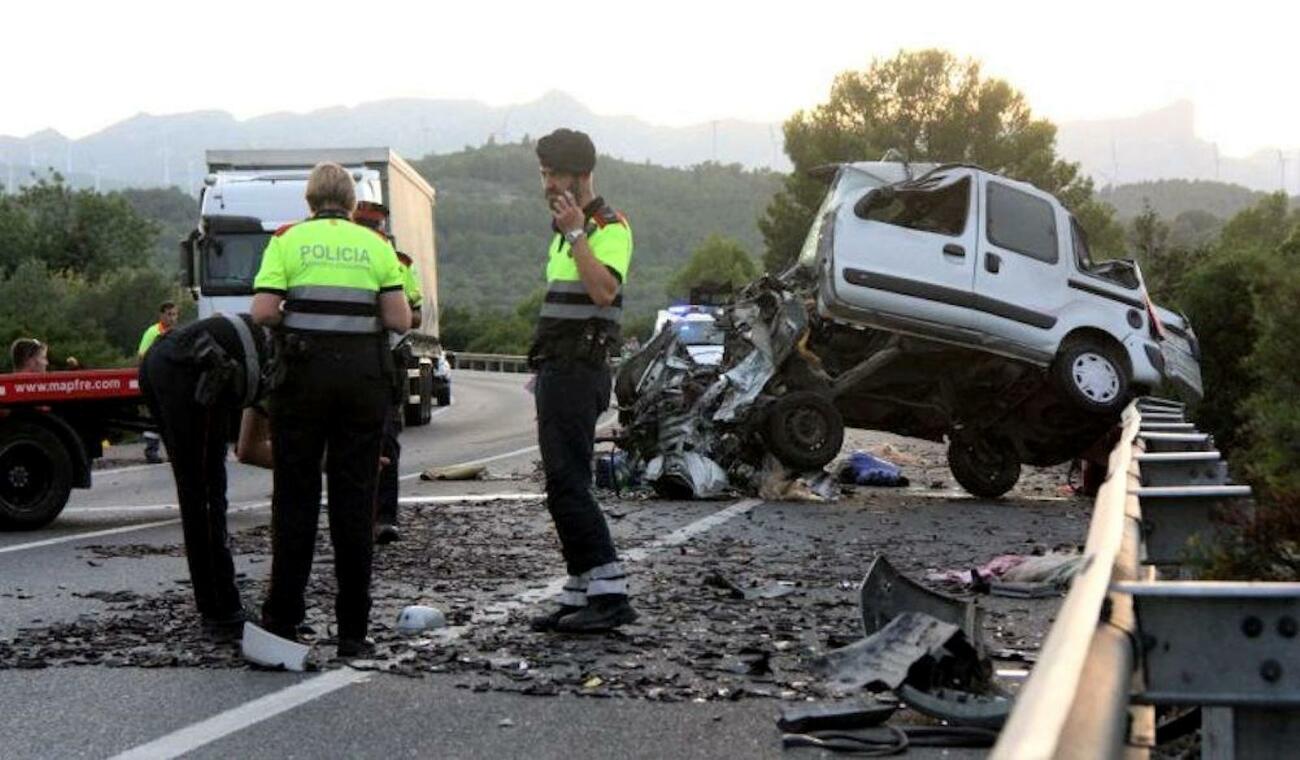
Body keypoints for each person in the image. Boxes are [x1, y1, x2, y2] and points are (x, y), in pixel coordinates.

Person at [250, 162, 410, 658]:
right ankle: (353, 633)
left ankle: (282, 624)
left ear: (309, 200)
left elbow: (262, 312)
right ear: (352, 201)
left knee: (294, 499)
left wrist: (297, 316)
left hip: (301, 380)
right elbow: (399, 318)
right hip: (362, 383)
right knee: (354, 503)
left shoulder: (287, 242)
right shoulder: (376, 246)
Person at [527, 129, 637, 633]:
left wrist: (576, 233)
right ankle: (580, 588)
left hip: (580, 369)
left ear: (581, 175)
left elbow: (602, 292)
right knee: (561, 482)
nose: (547, 182)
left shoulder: (607, 227)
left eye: (554, 173)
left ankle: (610, 592)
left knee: (569, 481)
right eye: (544, 173)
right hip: (558, 367)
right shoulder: (563, 229)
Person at [137, 313, 273, 636]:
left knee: (196, 490)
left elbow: (251, 448)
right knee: (206, 493)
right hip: (197, 365)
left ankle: (215, 605)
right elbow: (252, 449)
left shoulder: (277, 351)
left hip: (166, 359)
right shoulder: (291, 370)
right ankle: (223, 609)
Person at [352, 202, 423, 545]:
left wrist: (387, 308)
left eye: (375, 226)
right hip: (349, 359)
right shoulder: (347, 257)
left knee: (386, 439)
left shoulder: (397, 263)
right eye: (364, 225)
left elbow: (416, 316)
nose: (370, 231)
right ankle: (354, 514)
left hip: (385, 359)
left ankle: (385, 518)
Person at [139, 302, 181, 464]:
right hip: (155, 381)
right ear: (161, 315)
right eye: (169, 314)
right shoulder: (153, 332)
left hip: (171, 383)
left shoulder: (177, 333)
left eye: (175, 314)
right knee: (153, 416)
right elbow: (143, 357)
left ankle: (174, 451)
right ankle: (151, 451)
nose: (172, 318)